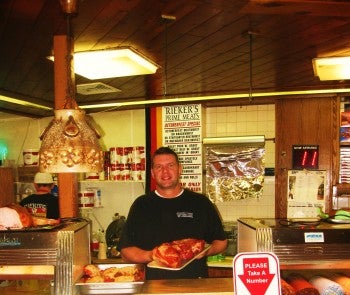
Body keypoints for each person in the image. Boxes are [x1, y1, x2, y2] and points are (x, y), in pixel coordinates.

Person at [118, 146, 227, 279]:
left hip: (195, 286)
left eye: (170, 165)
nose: (165, 171)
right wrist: (153, 255)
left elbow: (221, 242)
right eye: (159, 167)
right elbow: (126, 251)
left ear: (180, 169)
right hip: (154, 287)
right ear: (152, 173)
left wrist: (206, 251)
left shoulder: (200, 202)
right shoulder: (141, 205)